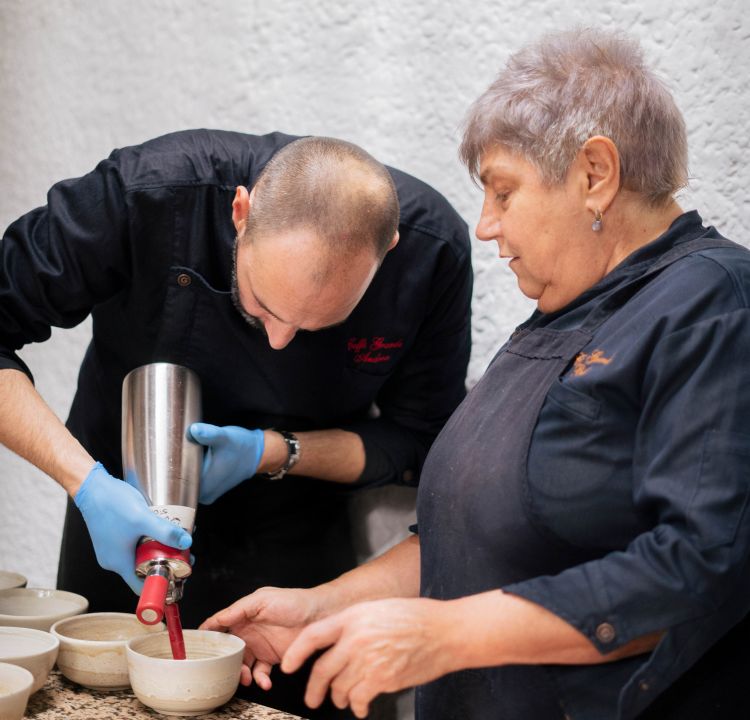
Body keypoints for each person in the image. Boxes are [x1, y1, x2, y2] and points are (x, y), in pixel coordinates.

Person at [200, 29, 750, 720]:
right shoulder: (554, 317)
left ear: (595, 174)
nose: (485, 226)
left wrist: (441, 634)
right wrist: (321, 606)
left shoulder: (711, 305)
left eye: (503, 190)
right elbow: (472, 542)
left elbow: (696, 570)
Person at [0, 131, 472, 718]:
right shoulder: (146, 194)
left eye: (315, 326)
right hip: (123, 499)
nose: (279, 341)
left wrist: (274, 451)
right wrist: (87, 486)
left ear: (389, 250)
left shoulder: (432, 254)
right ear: (240, 213)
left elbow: (420, 442)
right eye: (263, 306)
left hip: (291, 529)